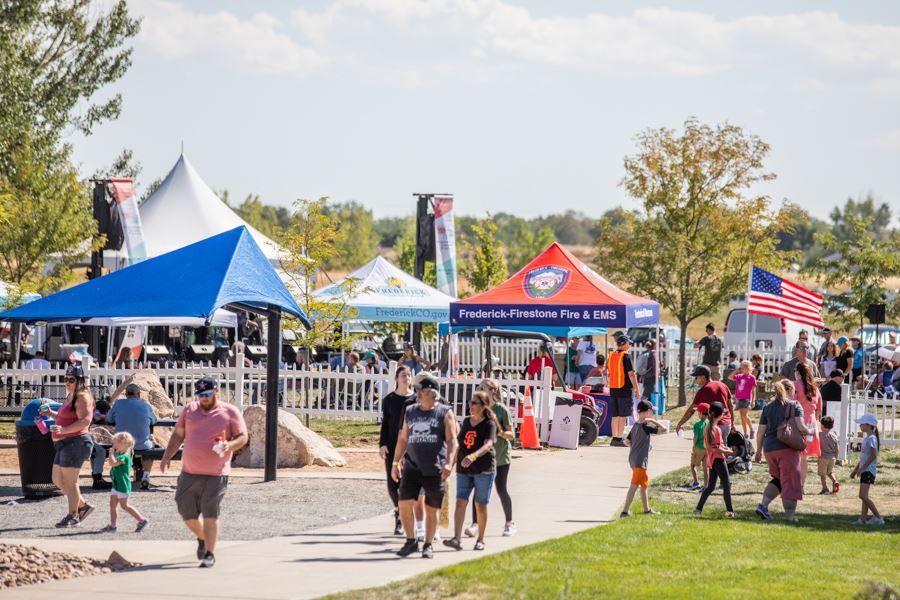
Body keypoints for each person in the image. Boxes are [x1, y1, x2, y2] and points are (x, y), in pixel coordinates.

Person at [160, 377, 248, 568]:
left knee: (210, 513)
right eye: (200, 396)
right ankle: (202, 538)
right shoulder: (189, 410)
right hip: (189, 471)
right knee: (186, 512)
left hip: (217, 473)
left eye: (207, 395)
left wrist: (228, 445)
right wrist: (167, 456)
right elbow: (178, 434)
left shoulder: (230, 412)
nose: (204, 399)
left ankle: (209, 553)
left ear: (216, 391)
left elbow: (243, 437)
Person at [392, 373, 459, 559]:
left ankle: (428, 544)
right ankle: (411, 540)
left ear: (430, 392)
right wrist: (395, 463)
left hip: (435, 467)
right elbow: (403, 438)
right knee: (404, 503)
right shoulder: (411, 411)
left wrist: (449, 463)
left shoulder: (445, 412)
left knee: (432, 508)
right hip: (412, 467)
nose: (417, 393)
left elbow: (453, 441)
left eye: (420, 390)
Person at [444, 390, 497, 552]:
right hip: (464, 469)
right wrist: (450, 465)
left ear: (483, 406)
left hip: (484, 469)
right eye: (470, 402)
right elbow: (458, 445)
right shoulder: (466, 422)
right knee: (461, 502)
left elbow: (488, 444)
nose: (470, 406)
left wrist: (473, 456)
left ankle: (480, 539)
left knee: (480, 505)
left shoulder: (489, 424)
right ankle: (456, 539)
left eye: (474, 403)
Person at [46, 363, 97, 528]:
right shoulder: (70, 395)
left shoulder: (82, 396)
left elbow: (85, 421)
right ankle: (83, 506)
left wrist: (64, 430)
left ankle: (73, 515)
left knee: (70, 481)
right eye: (65, 379)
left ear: (80, 380)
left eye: (71, 379)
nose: (67, 382)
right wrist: (51, 414)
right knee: (57, 479)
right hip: (65, 442)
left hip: (77, 442)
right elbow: (67, 418)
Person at [754, 381, 813, 523]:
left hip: (769, 449)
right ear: (789, 390)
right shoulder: (794, 405)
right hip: (787, 448)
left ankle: (763, 506)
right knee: (791, 481)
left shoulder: (767, 408)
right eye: (794, 391)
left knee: (778, 479)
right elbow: (800, 427)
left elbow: (761, 432)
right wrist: (811, 430)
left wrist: (758, 450)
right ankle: (790, 516)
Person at [464, 378, 516, 538]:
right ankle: (474, 524)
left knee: (501, 489)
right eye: (479, 387)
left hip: (500, 457)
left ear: (493, 390)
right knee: (478, 490)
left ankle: (509, 523)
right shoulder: (480, 409)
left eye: (484, 387)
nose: (480, 389)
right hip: (482, 457)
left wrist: (497, 433)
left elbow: (511, 434)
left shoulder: (501, 410)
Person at [378, 365, 417, 535]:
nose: (406, 377)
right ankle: (398, 511)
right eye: (403, 374)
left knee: (406, 483)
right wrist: (382, 444)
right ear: (396, 378)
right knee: (392, 485)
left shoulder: (416, 399)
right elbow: (385, 424)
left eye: (409, 375)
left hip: (412, 447)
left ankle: (403, 518)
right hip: (393, 445)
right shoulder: (389, 400)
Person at [107, 383, 159, 489]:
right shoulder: (145, 405)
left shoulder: (118, 404)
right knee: (150, 448)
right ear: (138, 394)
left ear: (126, 394)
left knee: (119, 448)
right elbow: (154, 420)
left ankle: (120, 477)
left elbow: (108, 419)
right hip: (141, 444)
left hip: (122, 445)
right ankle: (146, 476)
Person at [620, 400, 666, 517]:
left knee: (644, 485)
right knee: (634, 486)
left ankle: (647, 510)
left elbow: (627, 442)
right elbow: (664, 430)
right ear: (647, 412)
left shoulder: (635, 425)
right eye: (651, 412)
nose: (651, 414)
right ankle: (625, 511)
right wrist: (653, 421)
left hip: (633, 459)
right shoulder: (646, 425)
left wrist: (640, 445)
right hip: (640, 460)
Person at [101, 432, 149, 533]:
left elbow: (112, 463)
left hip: (122, 485)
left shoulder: (124, 456)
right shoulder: (120, 455)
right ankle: (113, 526)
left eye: (115, 443)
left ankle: (142, 520)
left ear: (122, 443)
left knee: (124, 506)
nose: (113, 446)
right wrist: (113, 454)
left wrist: (110, 454)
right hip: (116, 484)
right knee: (112, 505)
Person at [694, 402, 735, 517]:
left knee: (711, 487)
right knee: (726, 485)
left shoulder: (709, 427)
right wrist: (727, 452)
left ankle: (698, 509)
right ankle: (730, 511)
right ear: (720, 415)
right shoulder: (715, 429)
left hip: (712, 460)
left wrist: (726, 449)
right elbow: (715, 449)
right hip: (718, 460)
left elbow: (715, 447)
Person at [674, 365, 735, 440]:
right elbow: (730, 406)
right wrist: (732, 423)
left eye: (696, 377)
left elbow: (691, 410)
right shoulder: (723, 385)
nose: (695, 380)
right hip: (727, 424)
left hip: (715, 425)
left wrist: (680, 424)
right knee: (723, 447)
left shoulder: (703, 390)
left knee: (711, 449)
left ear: (703, 377)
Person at [850, 414, 883, 525]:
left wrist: (862, 469)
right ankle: (863, 519)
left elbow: (873, 455)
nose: (860, 425)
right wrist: (856, 470)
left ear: (869, 425)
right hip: (865, 470)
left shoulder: (872, 438)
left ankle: (878, 517)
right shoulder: (867, 438)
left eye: (862, 423)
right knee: (864, 497)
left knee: (862, 496)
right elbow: (863, 458)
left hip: (868, 471)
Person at [607, 336, 639, 446]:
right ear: (624, 344)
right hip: (624, 389)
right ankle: (619, 438)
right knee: (623, 415)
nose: (629, 346)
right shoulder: (626, 356)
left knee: (615, 415)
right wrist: (636, 388)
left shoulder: (611, 356)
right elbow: (631, 374)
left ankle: (614, 438)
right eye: (628, 343)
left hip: (613, 389)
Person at [794, 362, 822, 489]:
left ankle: (793, 484)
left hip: (798, 422)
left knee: (795, 456)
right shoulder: (815, 388)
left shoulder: (796, 385)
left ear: (798, 373)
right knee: (803, 458)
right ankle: (801, 485)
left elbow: (792, 404)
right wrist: (814, 420)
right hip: (811, 424)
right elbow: (819, 409)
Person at [728, 360, 757, 438]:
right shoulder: (739, 376)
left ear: (748, 368)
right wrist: (736, 371)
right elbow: (730, 377)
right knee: (742, 416)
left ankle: (752, 429)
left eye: (743, 367)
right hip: (739, 398)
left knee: (745, 415)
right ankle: (745, 433)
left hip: (747, 398)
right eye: (741, 367)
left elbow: (754, 390)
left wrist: (753, 400)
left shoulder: (752, 377)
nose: (741, 368)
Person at [89, 399, 112, 490]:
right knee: (100, 451)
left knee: (96, 451)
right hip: (78, 439)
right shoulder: (96, 411)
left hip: (81, 437)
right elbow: (97, 416)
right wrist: (106, 416)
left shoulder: (91, 409)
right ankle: (98, 479)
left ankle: (97, 478)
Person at [688, 403, 710, 491]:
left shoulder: (697, 425)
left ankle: (696, 482)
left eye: (698, 412)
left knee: (693, 465)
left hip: (699, 448)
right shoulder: (709, 423)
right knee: (706, 469)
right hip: (707, 448)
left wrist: (693, 446)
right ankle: (706, 486)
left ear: (701, 413)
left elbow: (695, 437)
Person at [817, 416, 839, 495]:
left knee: (823, 475)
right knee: (830, 472)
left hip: (823, 458)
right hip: (832, 458)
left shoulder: (819, 435)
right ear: (832, 426)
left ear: (822, 425)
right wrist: (835, 458)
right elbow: (837, 449)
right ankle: (835, 481)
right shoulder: (834, 435)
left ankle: (825, 488)